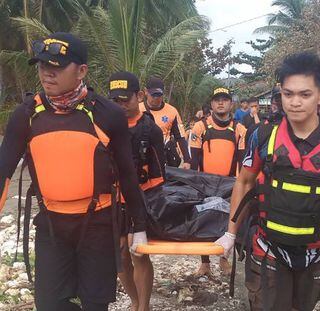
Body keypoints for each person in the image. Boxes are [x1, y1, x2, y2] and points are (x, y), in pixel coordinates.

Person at [215, 52, 320, 310]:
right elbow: (245, 182)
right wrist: (230, 232)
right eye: (288, 94)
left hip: (318, 254)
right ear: (280, 93)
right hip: (267, 249)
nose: (295, 102)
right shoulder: (263, 136)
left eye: (305, 94)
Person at [0, 32, 148, 311]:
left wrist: (138, 227)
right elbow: (4, 168)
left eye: (56, 66)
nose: (47, 73)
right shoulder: (27, 115)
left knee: (95, 303)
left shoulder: (108, 115)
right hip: (51, 224)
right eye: (43, 66)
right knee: (49, 305)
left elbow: (128, 174)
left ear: (81, 71)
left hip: (99, 224)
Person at [108, 71, 166, 311]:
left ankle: (143, 306)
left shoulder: (151, 130)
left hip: (141, 199)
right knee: (120, 256)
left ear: (139, 95)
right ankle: (134, 301)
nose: (121, 105)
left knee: (138, 253)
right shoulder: (106, 127)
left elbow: (159, 174)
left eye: (126, 99)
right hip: (113, 201)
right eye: (116, 101)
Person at [190, 87, 247, 276]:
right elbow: (194, 159)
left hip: (229, 184)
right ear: (211, 104)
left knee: (227, 222)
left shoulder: (239, 129)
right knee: (203, 221)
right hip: (204, 183)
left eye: (225, 99)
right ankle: (204, 262)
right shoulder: (200, 127)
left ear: (231, 104)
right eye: (217, 100)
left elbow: (242, 160)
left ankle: (224, 259)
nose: (220, 103)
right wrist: (194, 183)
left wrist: (239, 184)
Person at [139, 76, 191, 169]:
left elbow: (180, 136)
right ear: (146, 92)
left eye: (159, 95)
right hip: (141, 156)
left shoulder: (172, 111)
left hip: (164, 159)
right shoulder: (137, 109)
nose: (156, 98)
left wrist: (187, 160)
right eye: (153, 95)